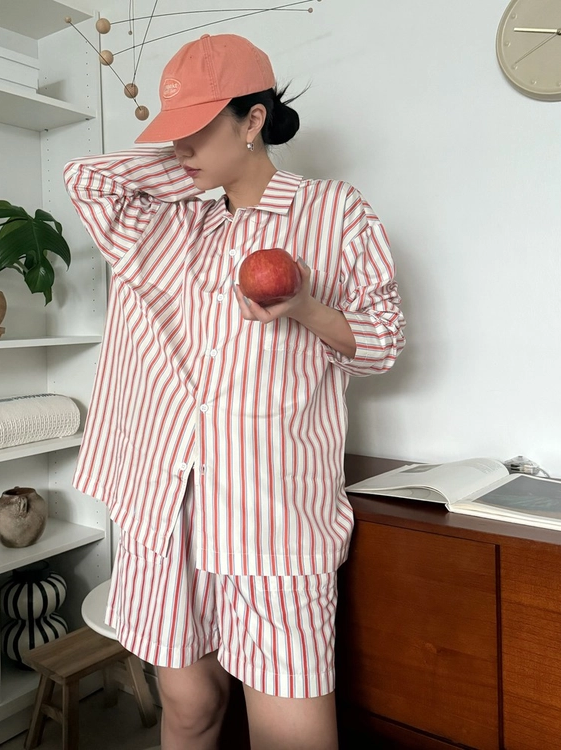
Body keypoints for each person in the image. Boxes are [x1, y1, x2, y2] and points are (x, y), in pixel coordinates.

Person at [64, 33, 405, 750]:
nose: (180, 147)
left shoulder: (334, 211)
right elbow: (88, 180)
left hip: (270, 516)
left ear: (254, 119)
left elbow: (383, 344)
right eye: (173, 132)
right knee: (189, 709)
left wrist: (304, 307)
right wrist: (194, 161)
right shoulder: (173, 222)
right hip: (169, 505)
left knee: (292, 736)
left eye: (198, 128)